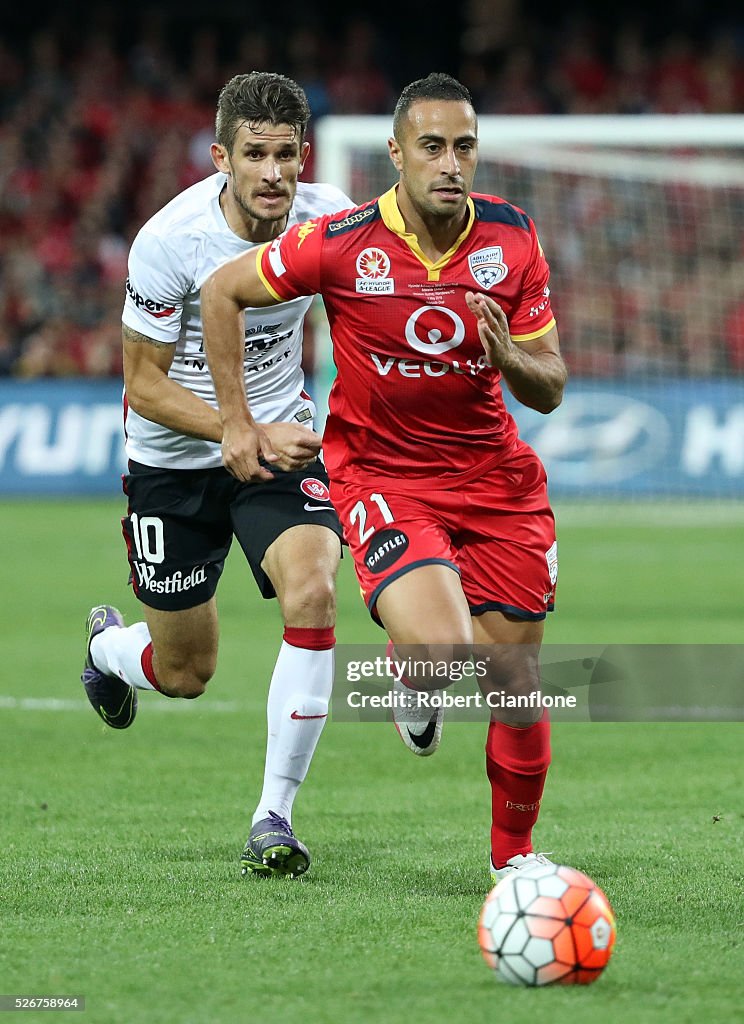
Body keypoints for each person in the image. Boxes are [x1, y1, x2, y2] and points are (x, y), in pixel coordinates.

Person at [201, 73, 568, 881]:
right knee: (441, 649)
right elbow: (222, 291)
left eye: (464, 146)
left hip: (497, 482)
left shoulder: (513, 239)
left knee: (515, 683)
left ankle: (517, 861)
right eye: (432, 146)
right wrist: (236, 422)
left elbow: (550, 385)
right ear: (396, 153)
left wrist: (508, 356)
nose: (450, 164)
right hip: (382, 476)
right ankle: (416, 674)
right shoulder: (340, 240)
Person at [81, 72, 353, 880]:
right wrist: (232, 427)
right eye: (255, 156)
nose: (273, 174)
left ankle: (275, 814)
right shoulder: (172, 240)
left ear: (303, 157)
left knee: (314, 592)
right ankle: (110, 652)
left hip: (278, 441)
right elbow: (146, 383)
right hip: (172, 461)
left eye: (285, 156)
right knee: (187, 673)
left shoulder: (328, 217)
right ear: (221, 157)